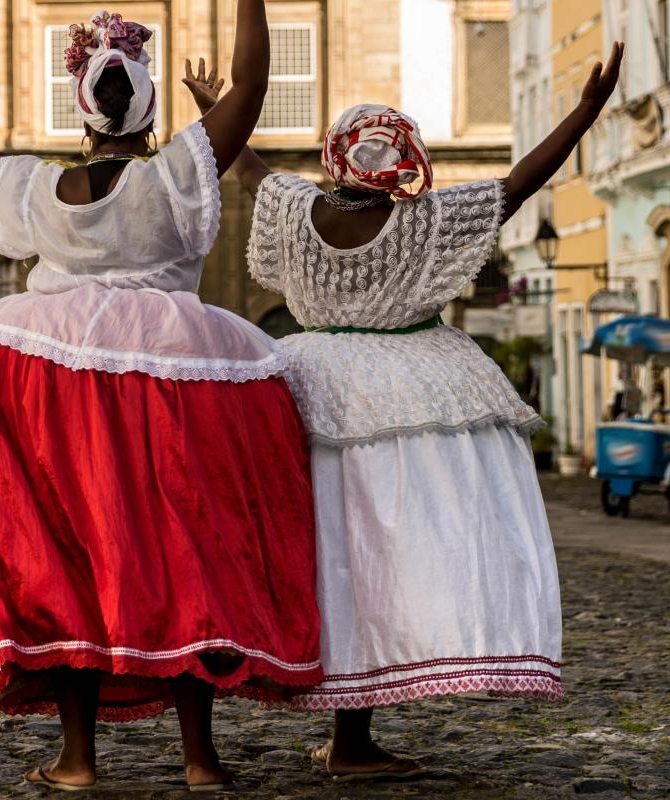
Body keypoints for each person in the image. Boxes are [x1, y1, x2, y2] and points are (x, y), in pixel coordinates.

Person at [0, 4, 320, 792]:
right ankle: (200, 758)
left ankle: (77, 759)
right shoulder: (177, 171)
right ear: (147, 112)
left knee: (68, 558)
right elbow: (251, 84)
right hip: (174, 376)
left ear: (83, 115)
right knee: (187, 553)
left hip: (48, 381)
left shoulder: (36, 185)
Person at [186, 42, 625, 782]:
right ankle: (356, 733)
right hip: (411, 391)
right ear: (404, 161)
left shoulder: (293, 207)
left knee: (323, 552)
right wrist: (583, 113)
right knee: (392, 552)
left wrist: (215, 108)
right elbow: (520, 181)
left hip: (307, 388)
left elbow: (249, 169)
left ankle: (327, 719)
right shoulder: (429, 222)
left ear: (335, 158)